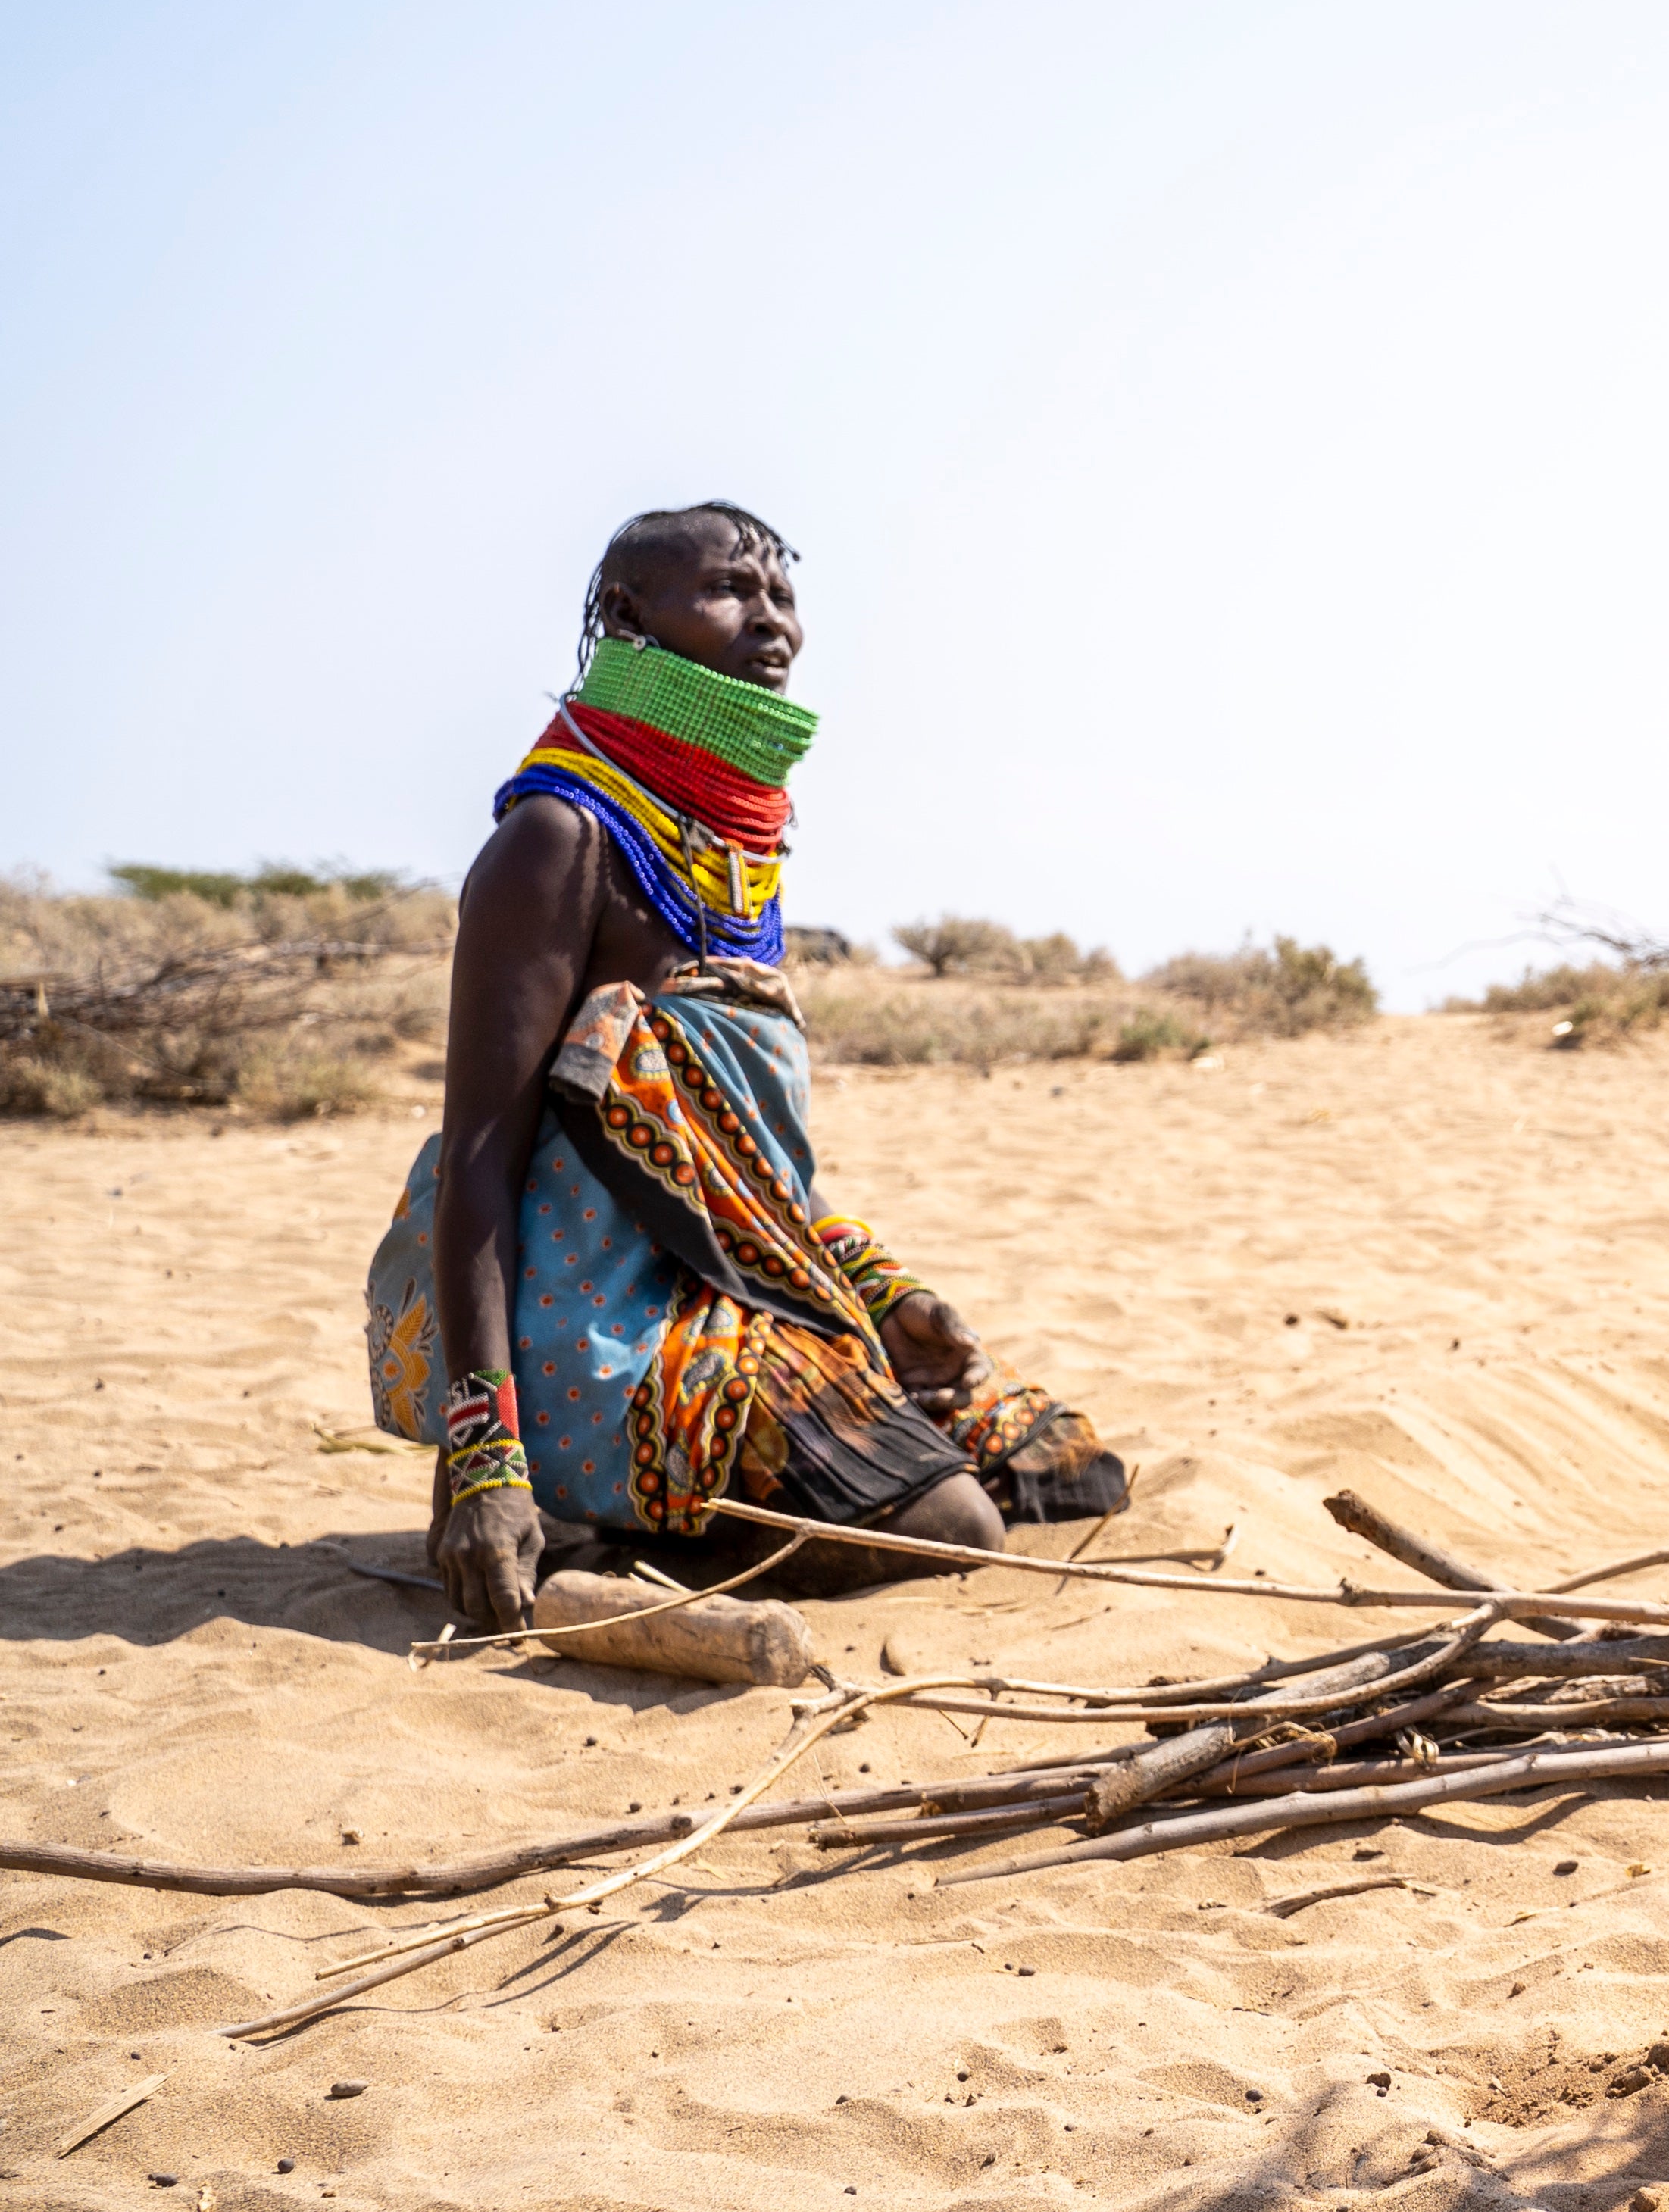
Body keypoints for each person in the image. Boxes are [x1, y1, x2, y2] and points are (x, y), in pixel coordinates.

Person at [364, 505, 1124, 1632]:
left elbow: (747, 1161)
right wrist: (483, 1458)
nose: (772, 620)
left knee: (1064, 1467)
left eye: (783, 596)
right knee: (957, 1528)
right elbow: (479, 1156)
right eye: (731, 590)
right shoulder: (558, 841)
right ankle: (588, 1513)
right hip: (597, 1332)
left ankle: (666, 1504)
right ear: (629, 615)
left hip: (733, 1284)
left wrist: (884, 1293)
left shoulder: (728, 845)